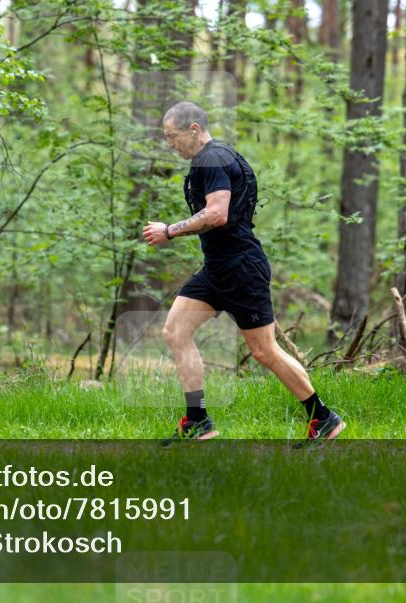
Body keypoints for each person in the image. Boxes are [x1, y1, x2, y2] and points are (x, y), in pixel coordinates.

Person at [141, 101, 346, 444]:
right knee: (175, 330)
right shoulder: (211, 159)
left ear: (194, 130)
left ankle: (322, 418)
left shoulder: (213, 158)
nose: (169, 144)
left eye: (172, 136)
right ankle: (198, 421)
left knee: (265, 351)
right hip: (217, 269)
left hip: (241, 269)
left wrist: (170, 231)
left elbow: (217, 213)